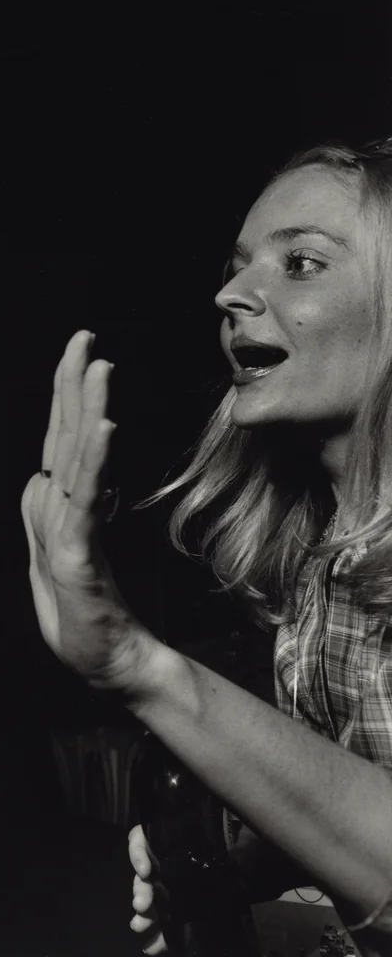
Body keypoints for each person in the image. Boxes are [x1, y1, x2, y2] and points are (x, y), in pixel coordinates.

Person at [21, 137, 392, 957]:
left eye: (300, 264)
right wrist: (250, 860)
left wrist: (138, 664)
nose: (231, 292)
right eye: (237, 264)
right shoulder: (323, 561)